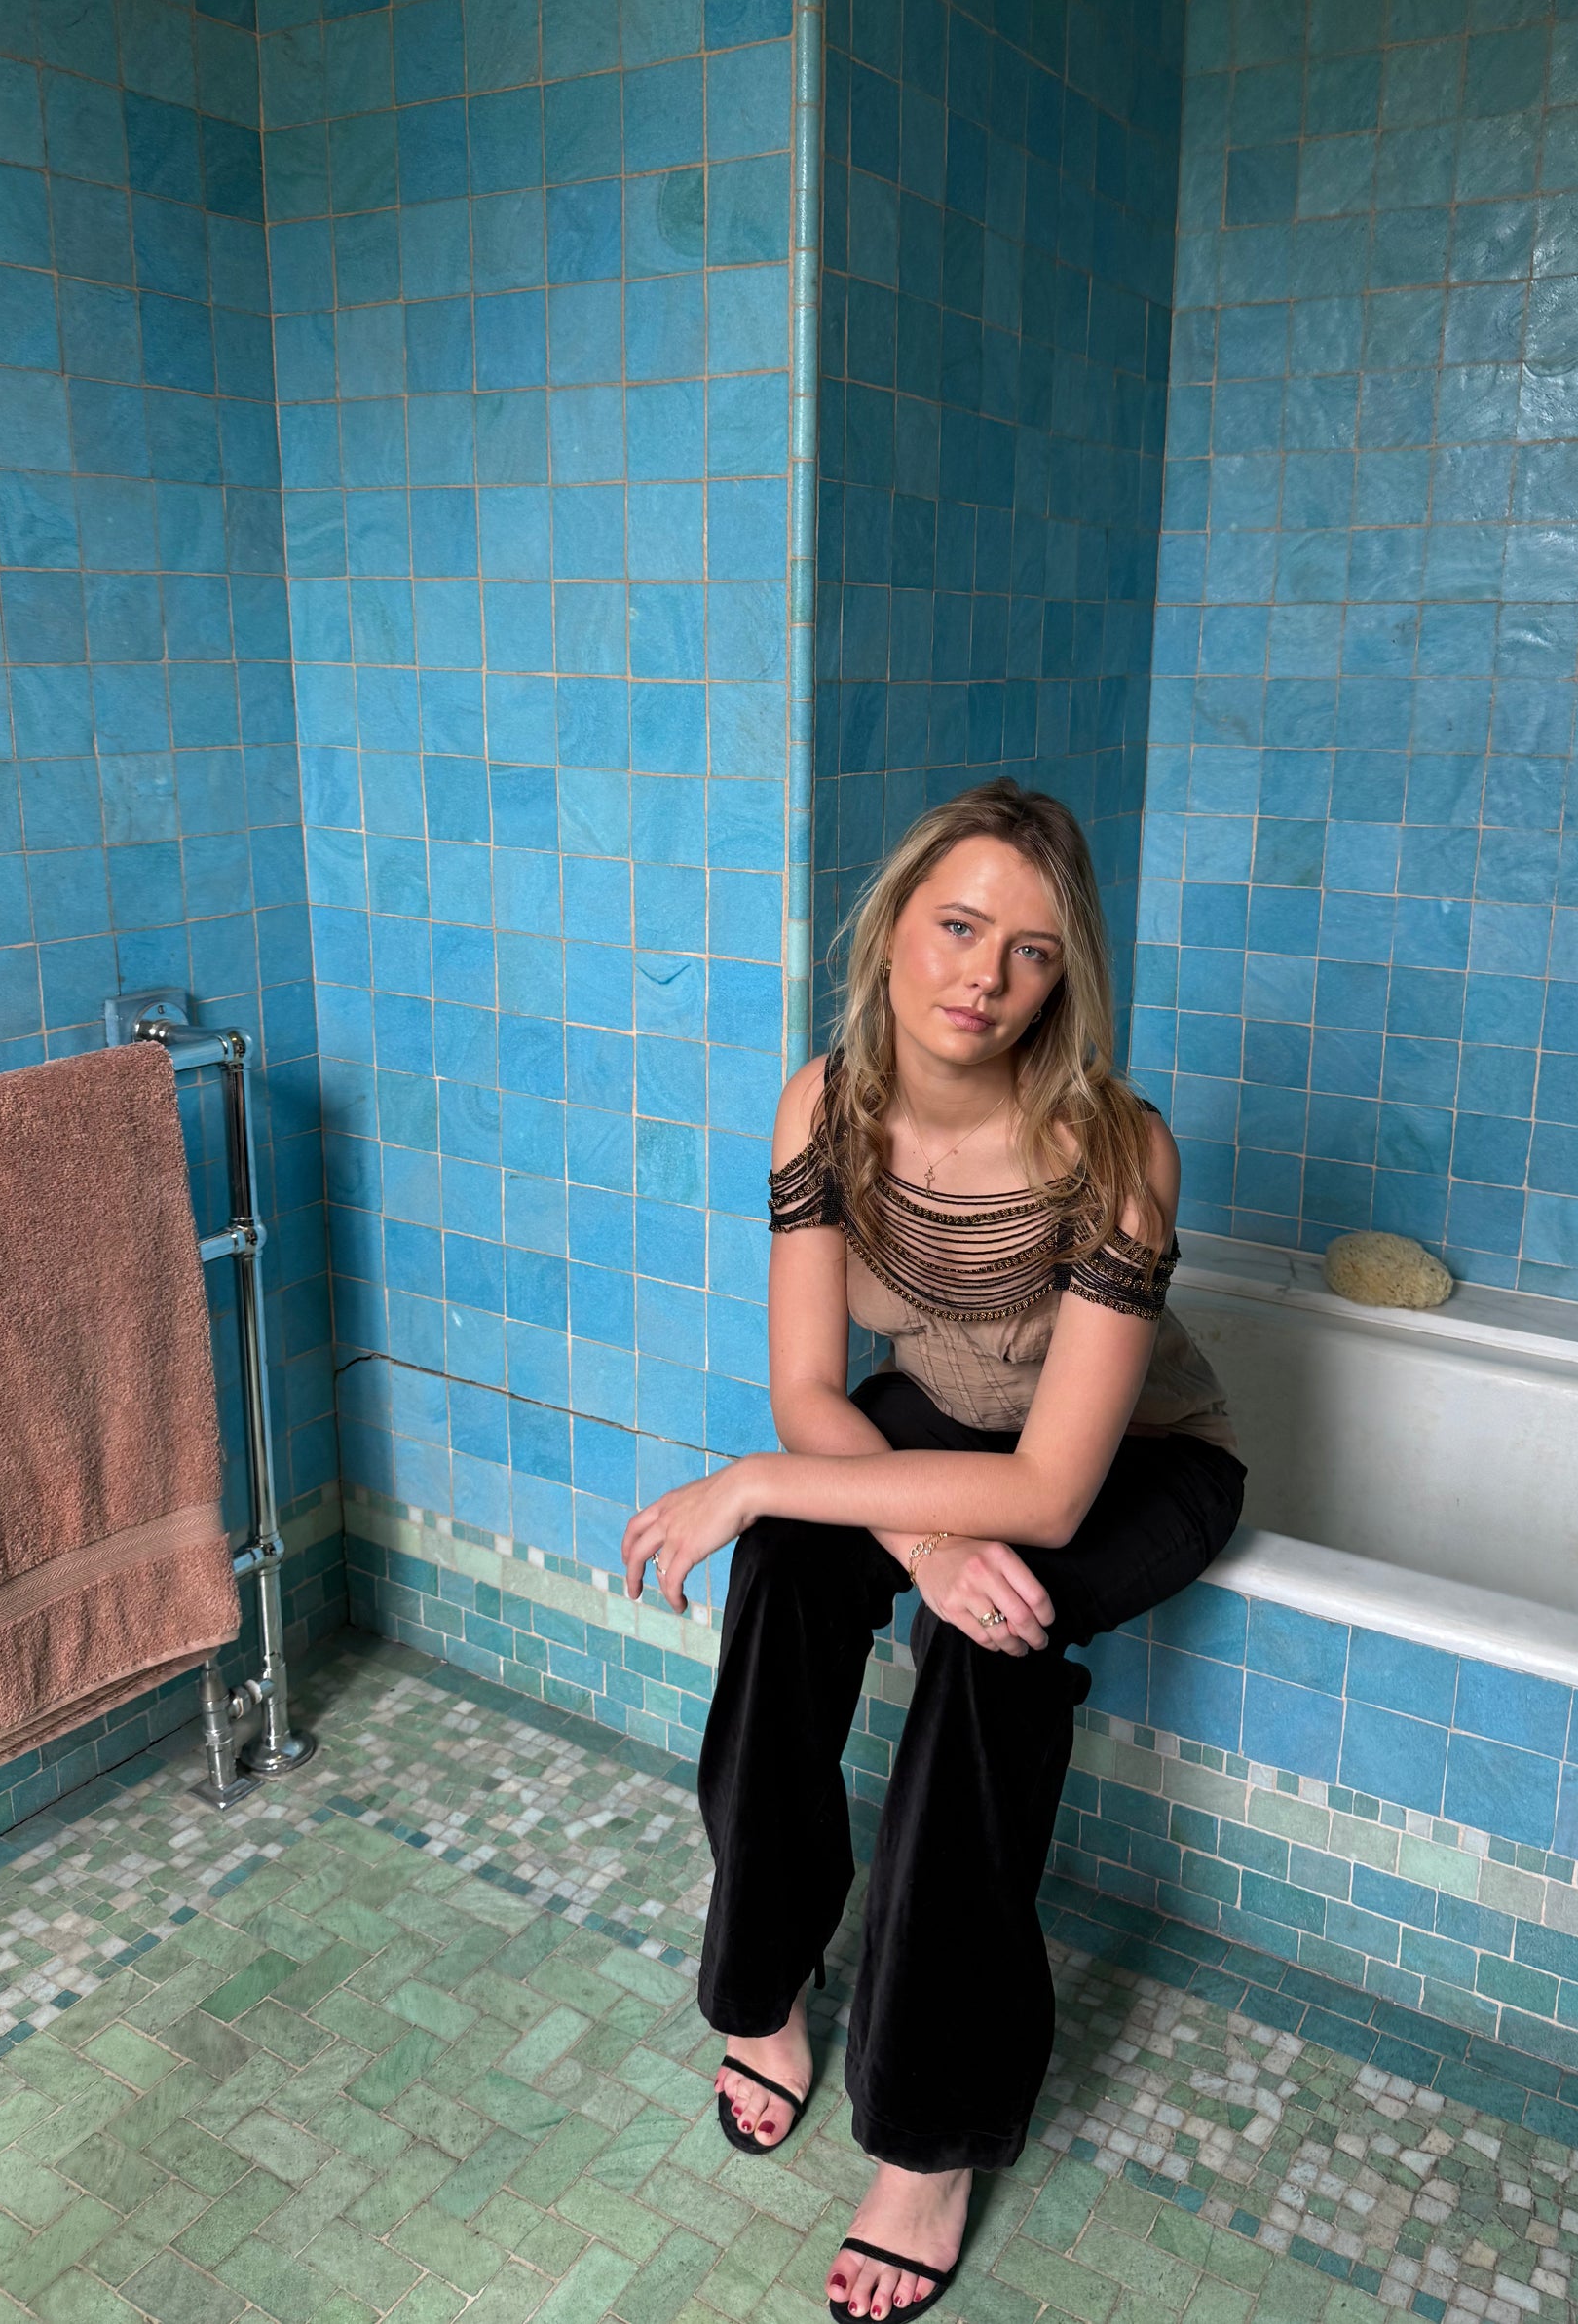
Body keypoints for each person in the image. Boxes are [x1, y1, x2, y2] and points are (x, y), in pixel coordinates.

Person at [621, 779, 1244, 2324]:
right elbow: (809, 1390)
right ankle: (764, 1979)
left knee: (989, 1638)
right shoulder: (824, 1106)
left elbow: (1045, 1495)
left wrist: (761, 1484)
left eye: (1030, 951)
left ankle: (928, 2134)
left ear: (1065, 974)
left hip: (1132, 1461)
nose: (984, 978)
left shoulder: (1117, 1151)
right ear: (894, 924)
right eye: (958, 928)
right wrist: (904, 1529)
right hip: (942, 1430)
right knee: (788, 1560)